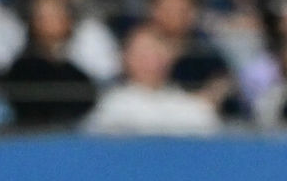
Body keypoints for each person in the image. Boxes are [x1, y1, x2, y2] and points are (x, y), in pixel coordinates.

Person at [84, 23, 221, 134]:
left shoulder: (192, 108)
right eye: (143, 54)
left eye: (156, 53)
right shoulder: (113, 106)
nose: (151, 61)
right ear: (126, 59)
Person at [2, 0, 97, 129]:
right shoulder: (21, 70)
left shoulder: (78, 68)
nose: (46, 21)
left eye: (53, 15)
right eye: (41, 16)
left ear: (67, 20)